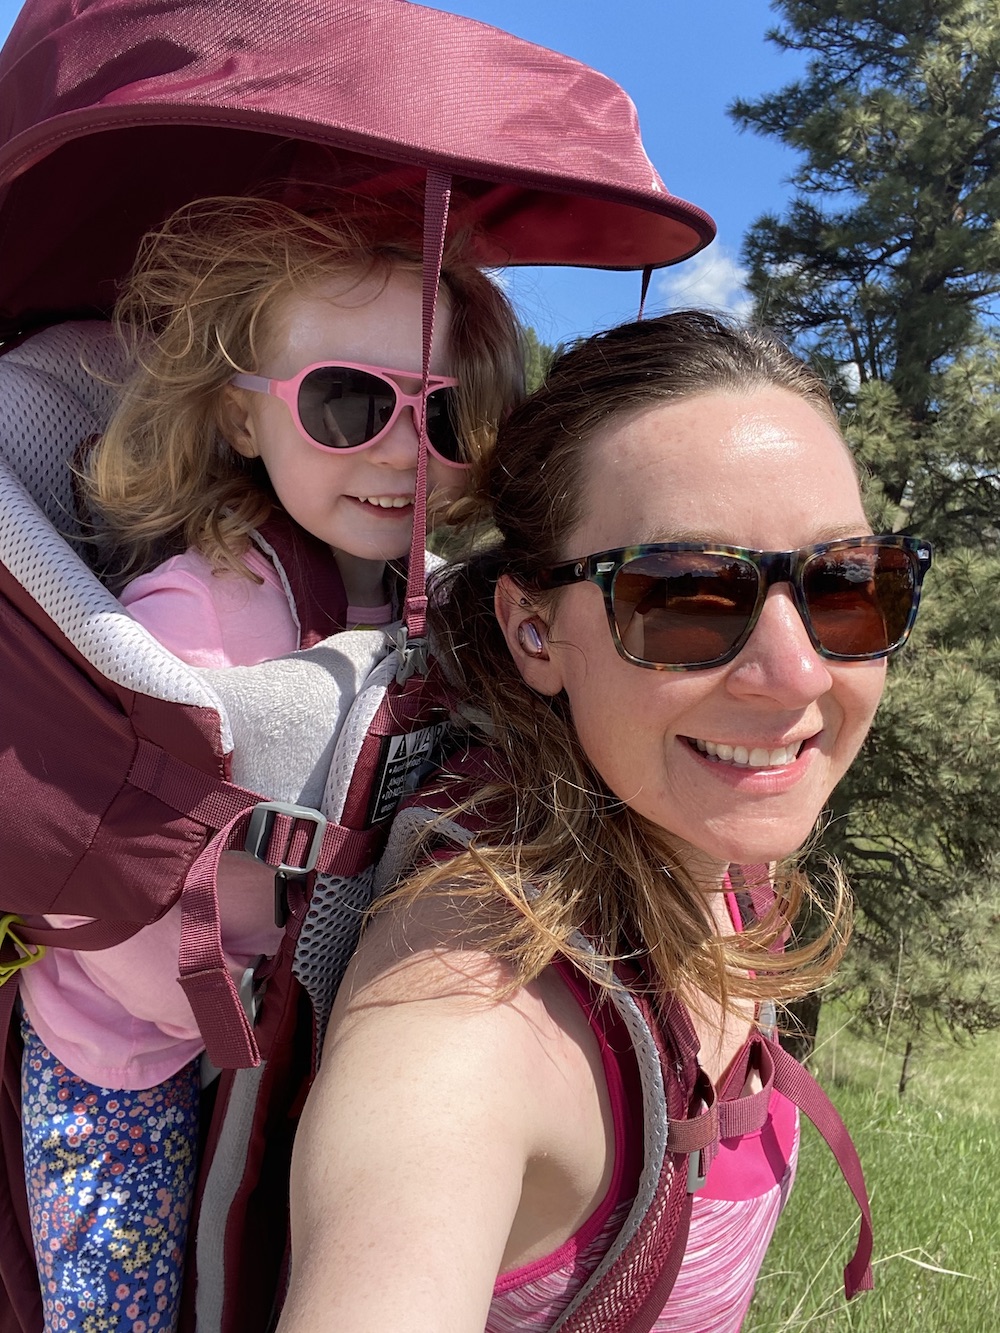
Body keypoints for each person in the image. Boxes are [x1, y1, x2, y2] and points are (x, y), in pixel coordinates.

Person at [276, 312, 931, 1332]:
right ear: (533, 629)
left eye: (846, 584)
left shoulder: (707, 843)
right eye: (684, 594)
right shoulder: (464, 1025)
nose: (799, 672)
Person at [16, 194, 522, 1333]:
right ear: (242, 421)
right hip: (128, 1047)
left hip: (284, 1025)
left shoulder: (423, 591)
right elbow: (140, 902)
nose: (405, 451)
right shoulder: (198, 614)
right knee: (122, 1311)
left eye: (442, 416)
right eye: (349, 403)